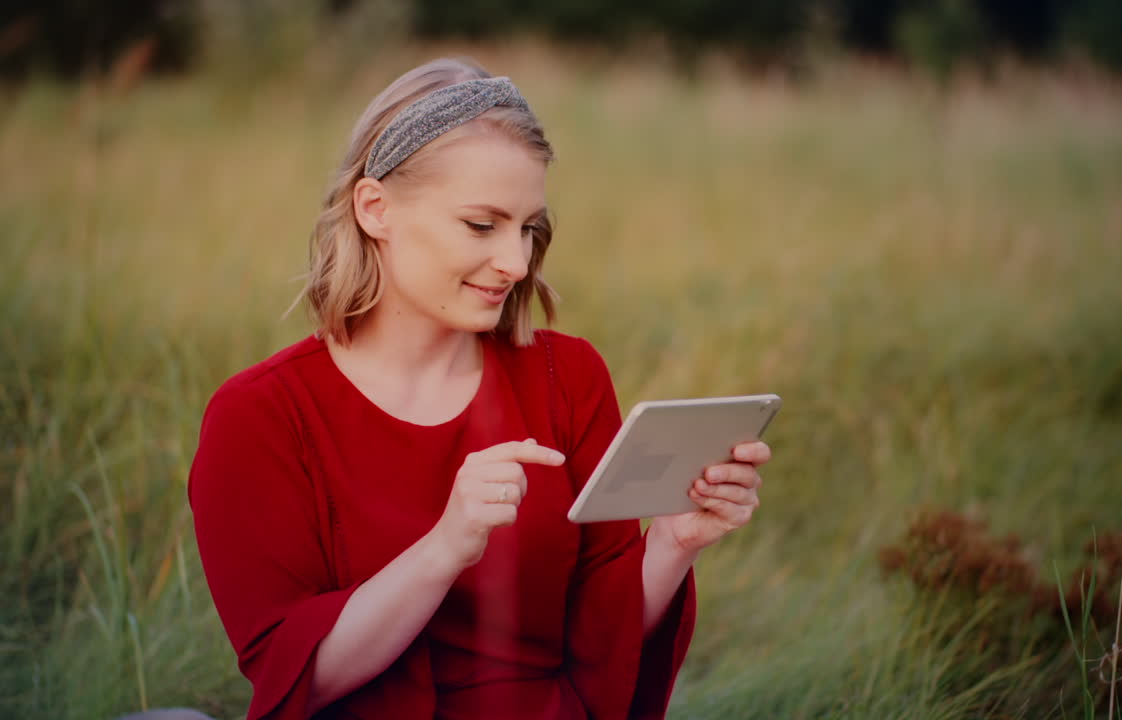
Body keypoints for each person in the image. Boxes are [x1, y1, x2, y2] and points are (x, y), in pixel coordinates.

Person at [187, 57, 772, 720]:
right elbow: (297, 684)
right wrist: (446, 547)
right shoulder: (260, 417)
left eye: (528, 228)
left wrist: (674, 542)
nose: (516, 262)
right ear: (375, 209)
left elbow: (603, 650)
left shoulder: (568, 378)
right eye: (481, 225)